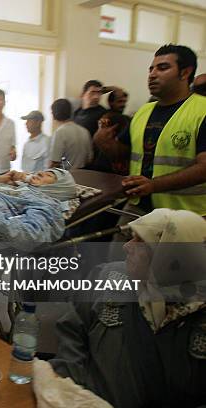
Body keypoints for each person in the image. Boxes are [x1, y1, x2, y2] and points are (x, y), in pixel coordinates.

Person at [34, 209, 206, 408]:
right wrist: (68, 384)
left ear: (169, 257)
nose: (127, 247)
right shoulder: (108, 276)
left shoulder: (199, 317)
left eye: (140, 241)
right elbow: (73, 329)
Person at [94, 44, 206, 223]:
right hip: (139, 206)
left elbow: (204, 168)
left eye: (163, 68)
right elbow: (123, 153)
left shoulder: (202, 111)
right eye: (151, 69)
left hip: (185, 214)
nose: (152, 74)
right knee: (118, 251)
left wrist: (153, 185)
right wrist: (104, 142)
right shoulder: (143, 111)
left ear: (185, 73)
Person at [49, 99, 92, 169]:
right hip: (83, 174)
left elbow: (55, 162)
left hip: (67, 176)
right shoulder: (84, 131)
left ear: (54, 113)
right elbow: (89, 158)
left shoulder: (60, 132)